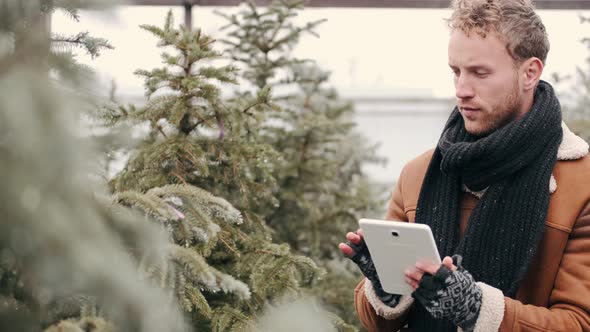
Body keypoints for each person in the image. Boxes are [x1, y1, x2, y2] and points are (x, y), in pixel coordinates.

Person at [338, 0, 590, 331]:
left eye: (479, 73)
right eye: (455, 71)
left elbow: (579, 323)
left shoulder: (581, 184)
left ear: (530, 72)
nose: (462, 90)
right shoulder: (418, 175)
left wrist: (474, 307)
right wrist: (387, 286)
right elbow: (377, 324)